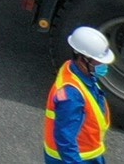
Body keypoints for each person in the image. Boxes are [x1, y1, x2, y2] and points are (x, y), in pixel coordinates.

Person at [46, 25, 116, 164]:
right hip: (76, 159)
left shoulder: (77, 72)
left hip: (88, 154)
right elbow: (66, 138)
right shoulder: (71, 96)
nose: (102, 64)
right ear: (83, 58)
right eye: (98, 61)